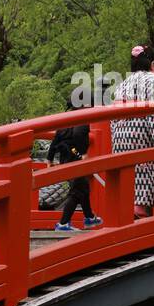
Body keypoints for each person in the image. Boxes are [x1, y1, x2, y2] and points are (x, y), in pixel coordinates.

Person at [111, 45, 154, 219]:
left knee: (128, 170)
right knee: (144, 165)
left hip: (120, 135)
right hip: (140, 133)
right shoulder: (150, 80)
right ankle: (139, 207)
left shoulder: (122, 84)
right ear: (153, 64)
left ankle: (128, 205)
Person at [47, 98, 102, 232]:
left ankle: (89, 217)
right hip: (77, 160)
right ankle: (63, 224)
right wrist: (83, 153)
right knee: (77, 192)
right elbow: (78, 133)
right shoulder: (81, 119)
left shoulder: (66, 120)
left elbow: (55, 141)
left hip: (65, 160)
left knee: (83, 188)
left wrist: (49, 159)